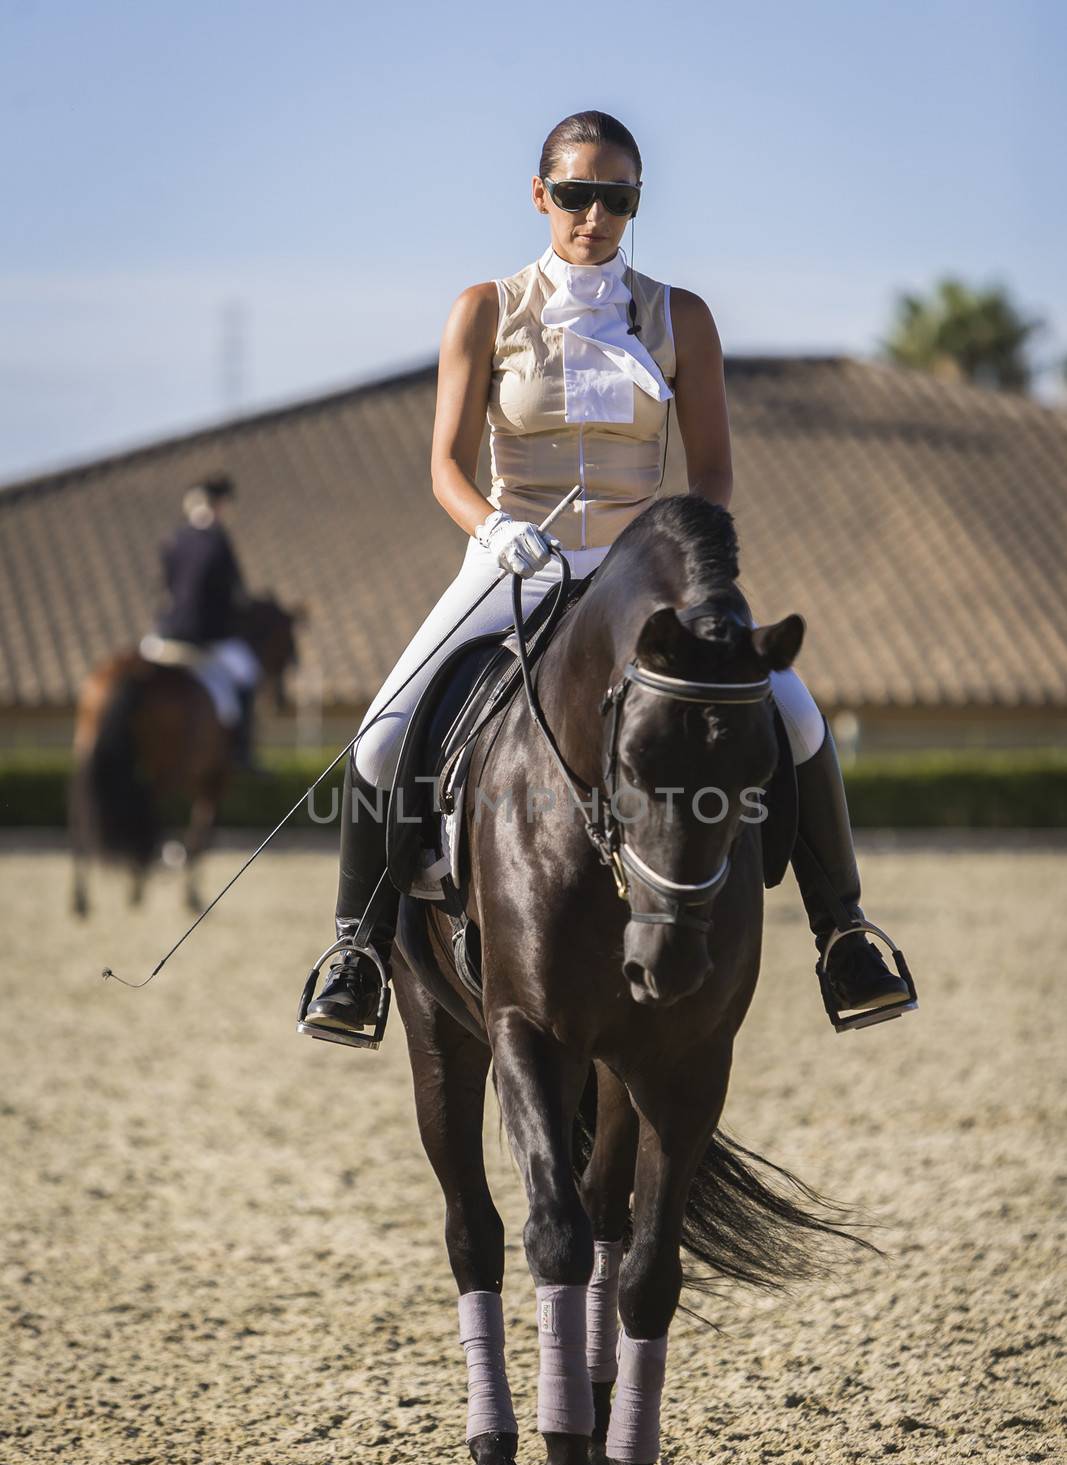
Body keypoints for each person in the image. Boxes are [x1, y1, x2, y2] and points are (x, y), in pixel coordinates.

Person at [302, 109, 913, 1044]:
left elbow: (711, 471)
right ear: (541, 196)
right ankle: (355, 952)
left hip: (645, 570)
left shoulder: (681, 315)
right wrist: (495, 529)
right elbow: (445, 470)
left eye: (616, 199)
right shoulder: (483, 309)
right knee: (383, 739)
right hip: (512, 559)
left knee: (793, 714)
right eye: (577, 195)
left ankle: (844, 936)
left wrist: (679, 553)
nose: (594, 216)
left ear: (635, 205)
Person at [146, 474, 261, 767]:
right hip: (204, 637)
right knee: (247, 671)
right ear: (219, 505)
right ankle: (241, 754)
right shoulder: (218, 541)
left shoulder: (172, 540)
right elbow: (233, 594)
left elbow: (167, 587)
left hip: (164, 633)